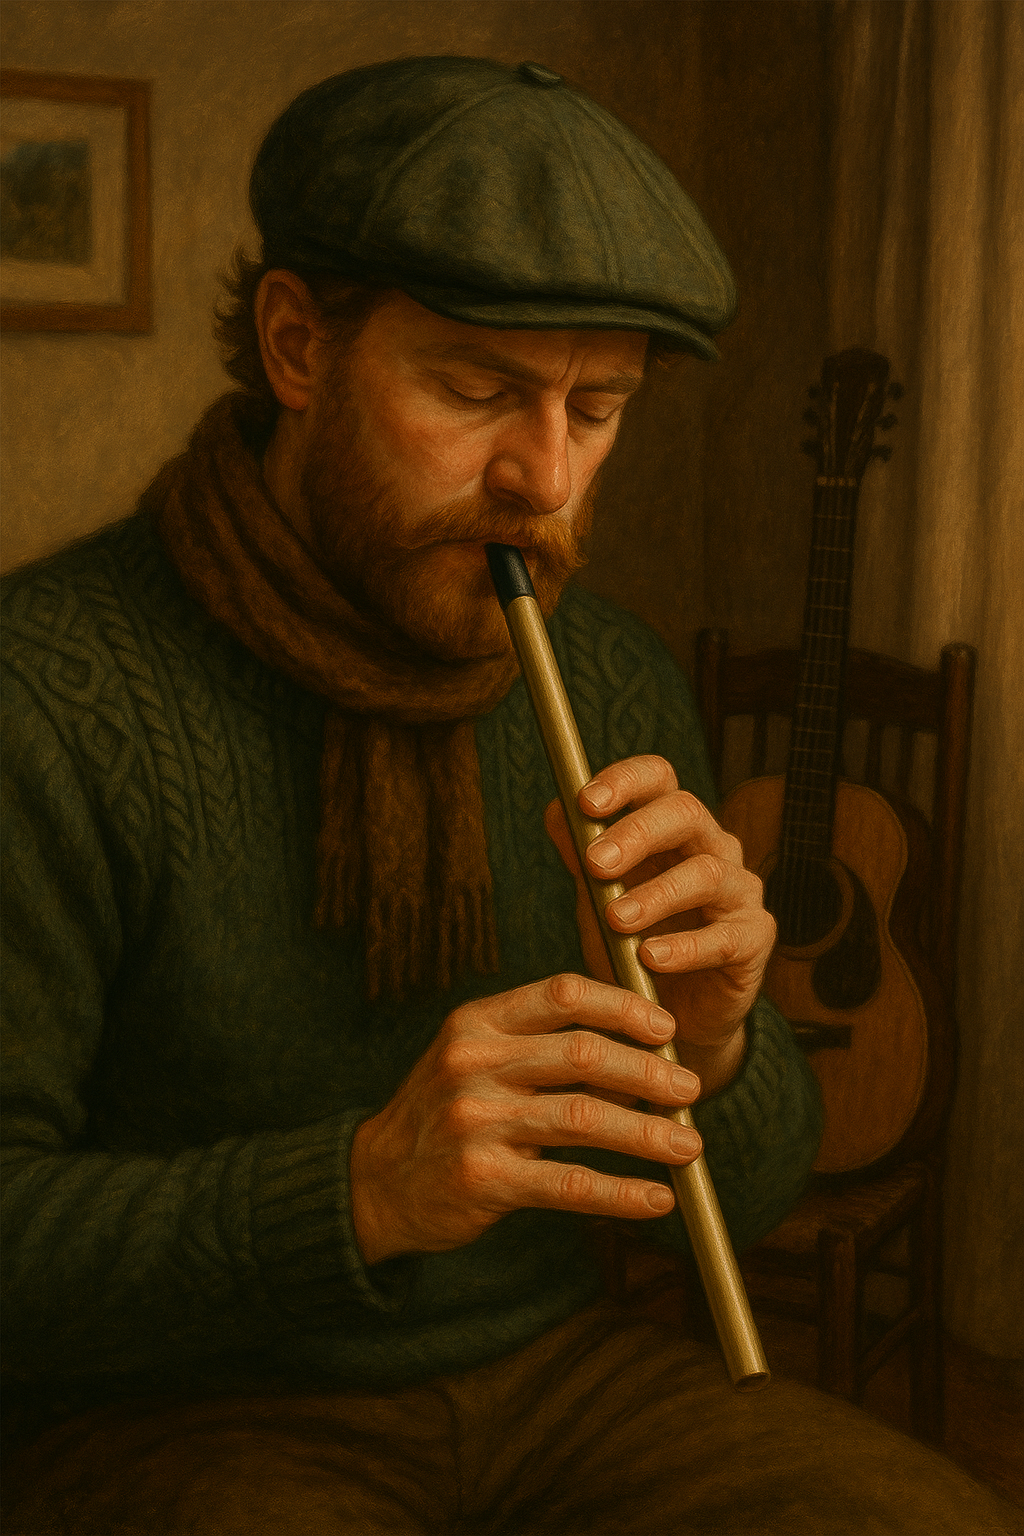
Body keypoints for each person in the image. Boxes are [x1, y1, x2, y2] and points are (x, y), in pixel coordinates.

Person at [2, 56, 1019, 1536]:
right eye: (475, 390)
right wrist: (360, 1188)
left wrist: (714, 1044)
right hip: (177, 1406)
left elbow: (743, 1197)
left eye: (597, 409)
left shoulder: (609, 675)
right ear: (297, 345)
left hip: (559, 1375)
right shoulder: (43, 689)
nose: (543, 480)